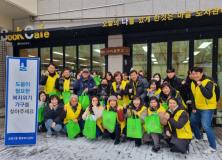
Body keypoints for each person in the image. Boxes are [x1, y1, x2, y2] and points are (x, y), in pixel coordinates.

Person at [190, 67, 217, 154]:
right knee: (193, 122)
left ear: (201, 73)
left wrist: (200, 85)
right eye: (193, 74)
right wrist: (193, 107)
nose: (195, 75)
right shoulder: (192, 83)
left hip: (208, 108)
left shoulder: (208, 82)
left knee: (206, 126)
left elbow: (208, 95)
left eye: (197, 73)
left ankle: (213, 147)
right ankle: (198, 137)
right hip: (198, 107)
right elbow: (193, 96)